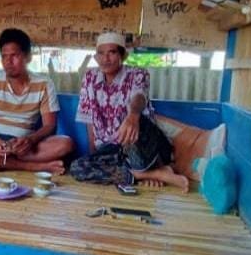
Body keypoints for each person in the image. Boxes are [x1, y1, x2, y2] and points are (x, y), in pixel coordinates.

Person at [70, 32, 189, 192]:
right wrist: (95, 157)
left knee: (135, 122)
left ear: (122, 55)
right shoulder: (90, 78)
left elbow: (139, 97)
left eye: (112, 52)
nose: (105, 59)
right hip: (113, 151)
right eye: (101, 53)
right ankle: (152, 174)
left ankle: (147, 169)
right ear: (96, 57)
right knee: (77, 167)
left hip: (140, 144)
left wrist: (133, 116)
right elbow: (90, 121)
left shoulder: (138, 74)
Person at [0, 28, 74, 173]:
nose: (8, 62)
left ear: (28, 57)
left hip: (25, 145)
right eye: (4, 56)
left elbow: (50, 125)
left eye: (14, 56)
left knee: (65, 144)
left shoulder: (44, 83)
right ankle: (34, 166)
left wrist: (30, 140)